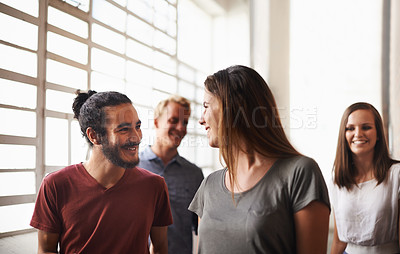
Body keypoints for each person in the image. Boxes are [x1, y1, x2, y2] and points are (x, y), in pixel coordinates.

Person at [188, 65, 331, 254]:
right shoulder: (208, 186)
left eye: (206, 106)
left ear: (234, 108)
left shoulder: (300, 173)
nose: (201, 119)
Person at [30, 90, 173, 254]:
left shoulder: (154, 185)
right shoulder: (55, 185)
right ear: (94, 136)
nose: (136, 137)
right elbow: (46, 250)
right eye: (124, 129)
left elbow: (160, 248)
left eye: (137, 126)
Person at [329, 102, 400, 254]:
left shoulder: (396, 175)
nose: (358, 134)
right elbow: (339, 240)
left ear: (379, 133)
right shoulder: (338, 177)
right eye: (350, 128)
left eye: (366, 127)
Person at [138, 95, 204, 254]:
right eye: (174, 120)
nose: (181, 128)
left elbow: (204, 230)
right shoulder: (132, 168)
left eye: (185, 122)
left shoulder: (194, 174)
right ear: (156, 122)